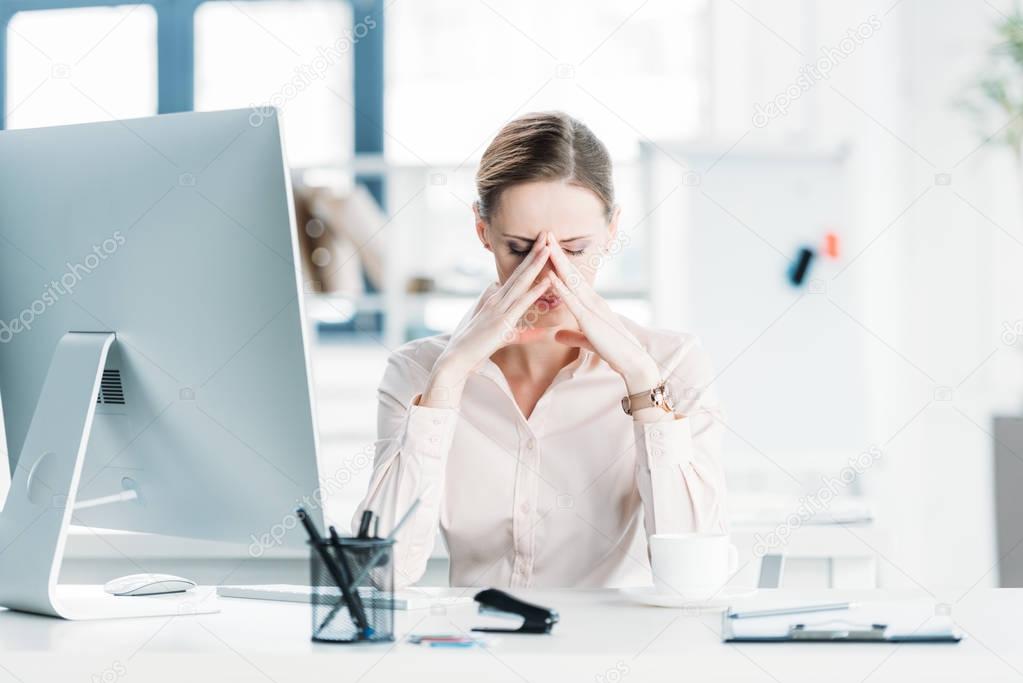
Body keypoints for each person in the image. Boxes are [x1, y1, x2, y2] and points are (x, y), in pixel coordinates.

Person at [352, 111, 728, 589]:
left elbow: (693, 581)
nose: (548, 278)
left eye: (572, 250)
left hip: (615, 649)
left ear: (613, 230)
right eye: (520, 248)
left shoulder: (671, 363)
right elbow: (384, 575)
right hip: (474, 651)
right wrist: (447, 384)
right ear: (482, 230)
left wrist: (641, 381)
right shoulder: (417, 371)